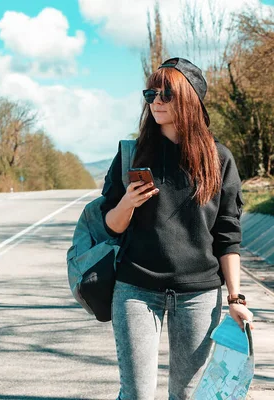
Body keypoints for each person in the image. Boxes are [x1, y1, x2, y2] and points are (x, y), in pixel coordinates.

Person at [100, 57, 254, 400]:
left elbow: (228, 236)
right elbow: (111, 226)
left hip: (198, 295)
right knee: (137, 393)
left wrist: (235, 298)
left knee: (187, 395)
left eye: (166, 94)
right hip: (136, 289)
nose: (156, 101)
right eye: (151, 93)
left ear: (190, 99)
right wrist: (127, 203)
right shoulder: (132, 155)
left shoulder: (218, 159)